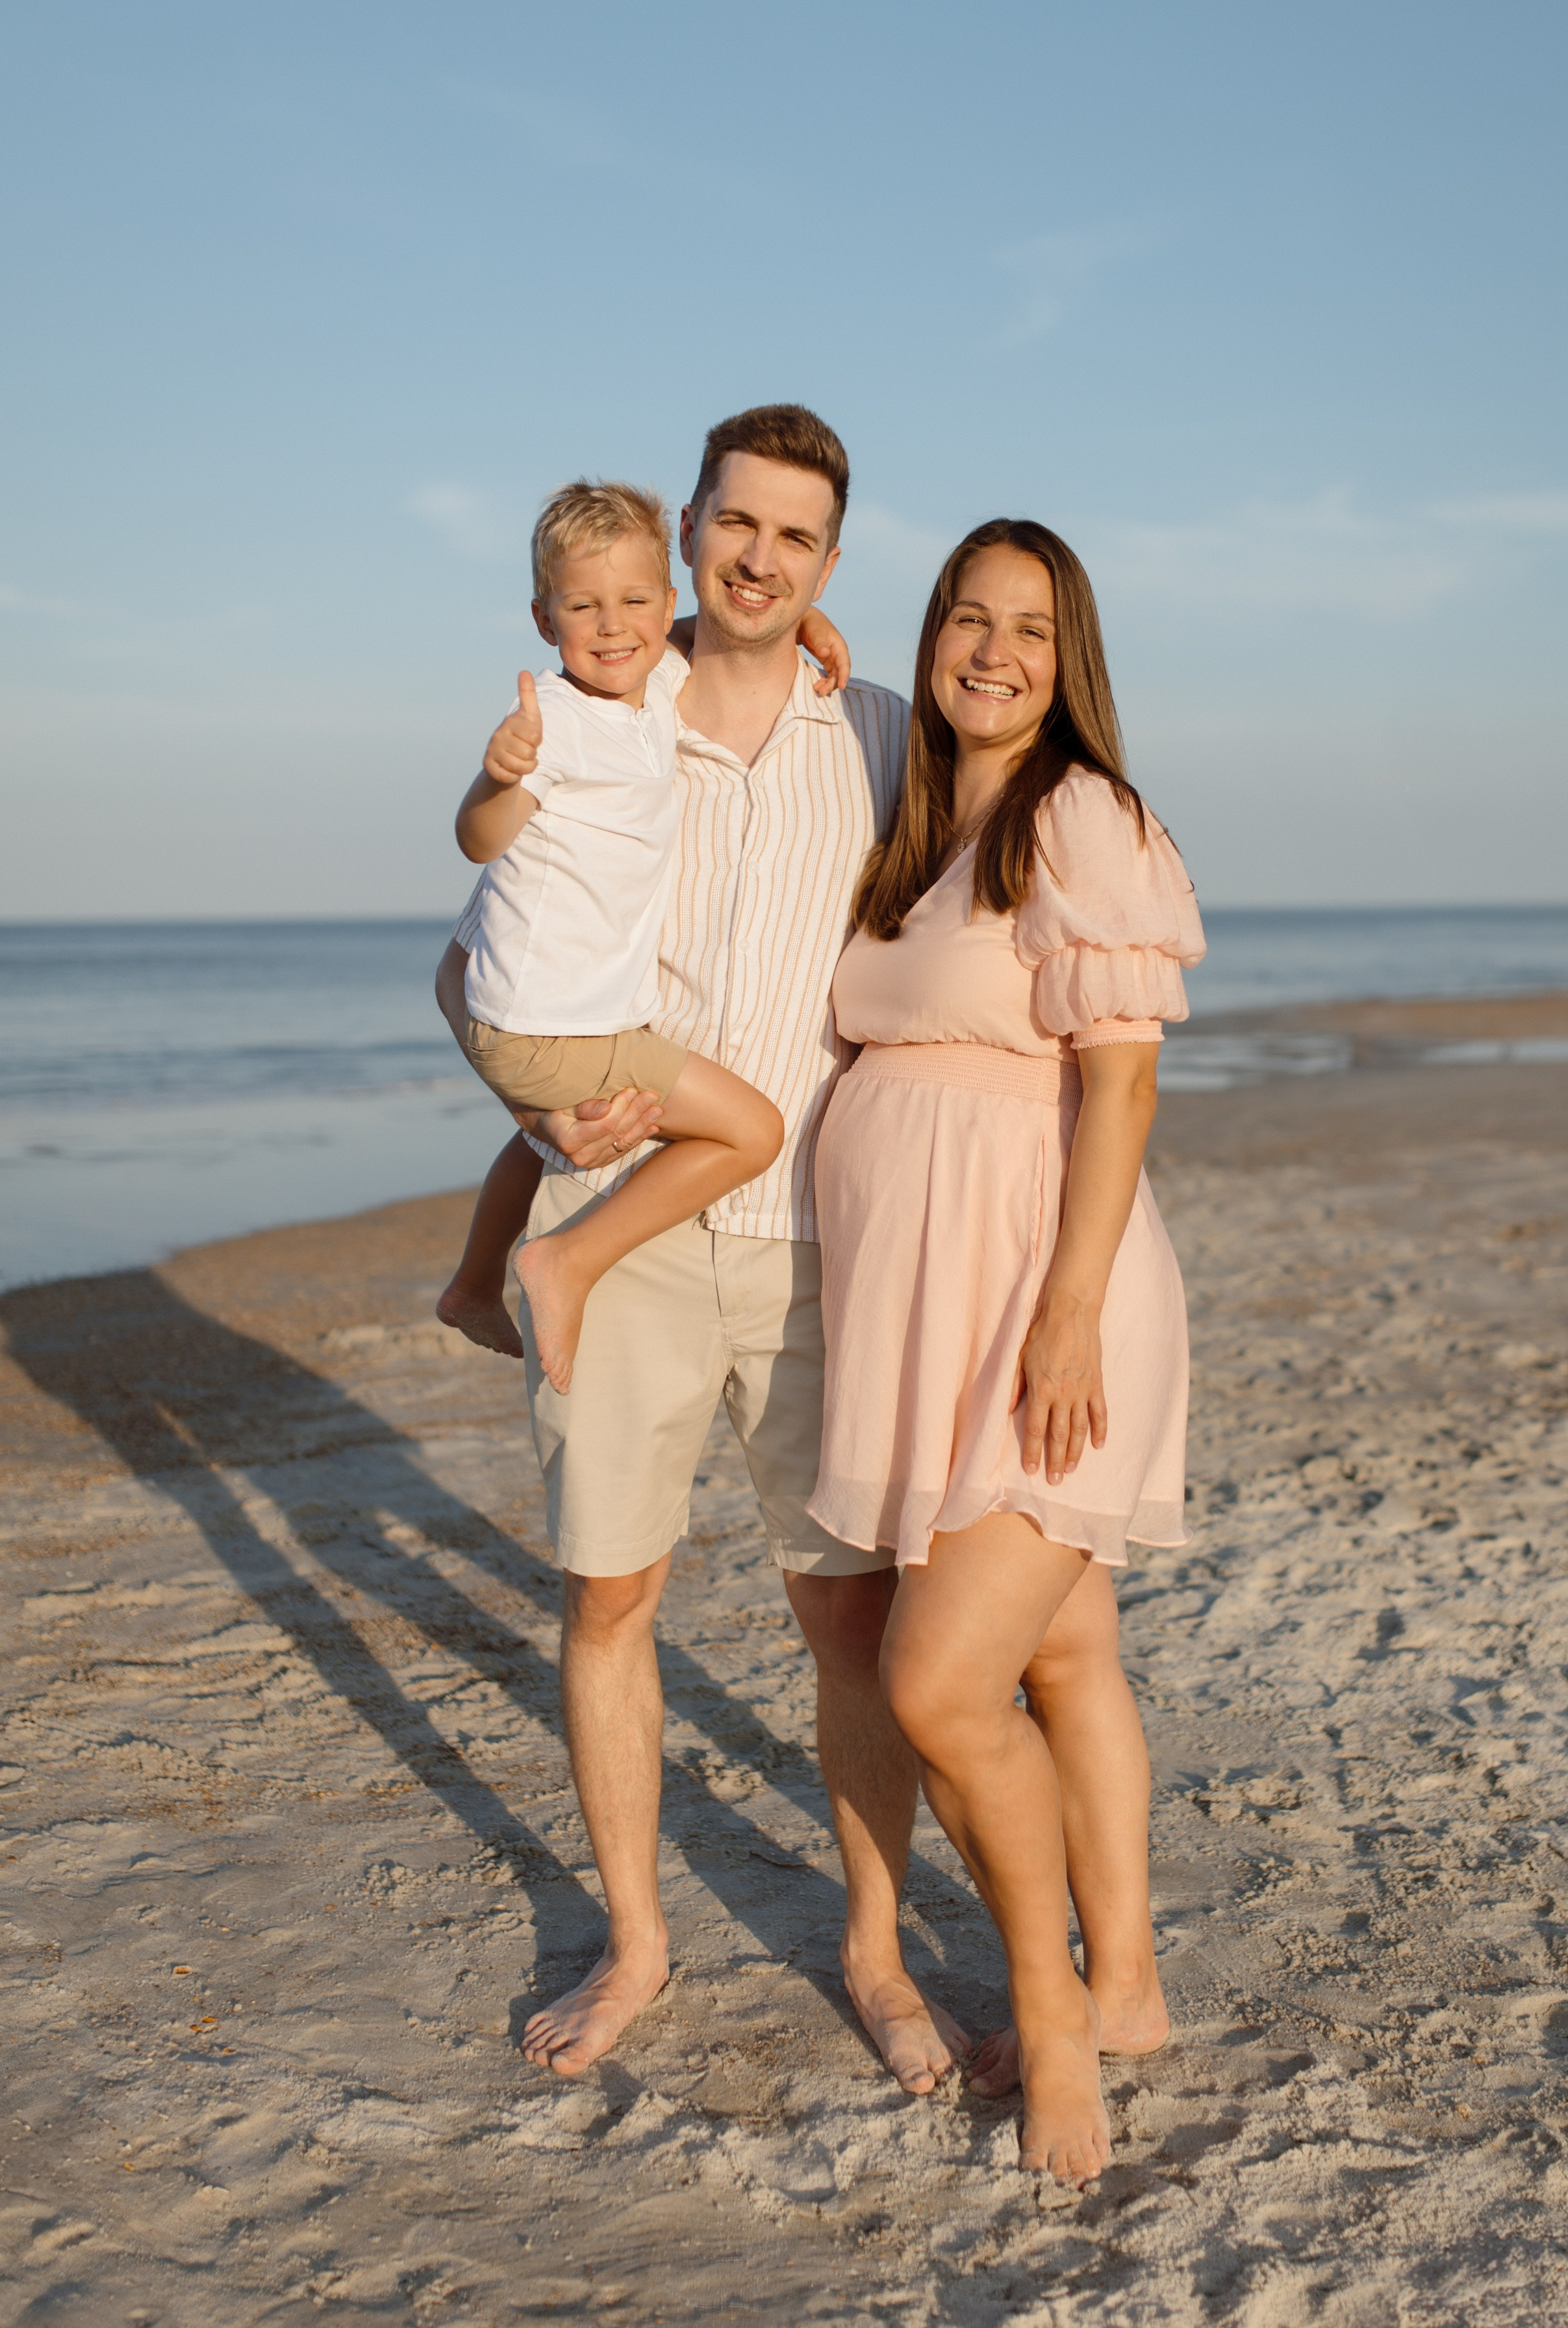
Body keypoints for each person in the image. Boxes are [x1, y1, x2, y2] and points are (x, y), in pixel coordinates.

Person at [435, 406, 965, 2095]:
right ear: (691, 526)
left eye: (795, 540)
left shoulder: (882, 734)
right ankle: (638, 1945)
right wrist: (533, 1122)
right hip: (632, 1225)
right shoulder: (601, 714)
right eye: (736, 525)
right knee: (614, 1597)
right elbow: (484, 960)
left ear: (828, 562)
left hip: (822, 1243)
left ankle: (876, 1955)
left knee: (849, 1623)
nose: (759, 559)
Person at [807, 518, 1206, 2184]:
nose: (992, 651)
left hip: (1048, 1296)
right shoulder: (918, 816)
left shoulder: (1080, 816)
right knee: (1069, 1650)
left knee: (937, 1681)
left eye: (1029, 629)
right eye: (965, 620)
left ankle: (1051, 2025)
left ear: (1072, 657)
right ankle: (1132, 1989)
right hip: (921, 1304)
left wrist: (1061, 1303)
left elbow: (1119, 1081)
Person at [437, 475, 844, 1393]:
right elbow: (478, 843)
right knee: (751, 1130)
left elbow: (723, 631)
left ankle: (472, 1283)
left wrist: (809, 622)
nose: (613, 626)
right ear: (544, 619)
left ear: (667, 607)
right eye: (584, 607)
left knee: (536, 1144)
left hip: (553, 1022)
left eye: (634, 603)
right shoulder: (560, 724)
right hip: (557, 1029)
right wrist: (497, 782)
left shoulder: (651, 691)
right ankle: (565, 1263)